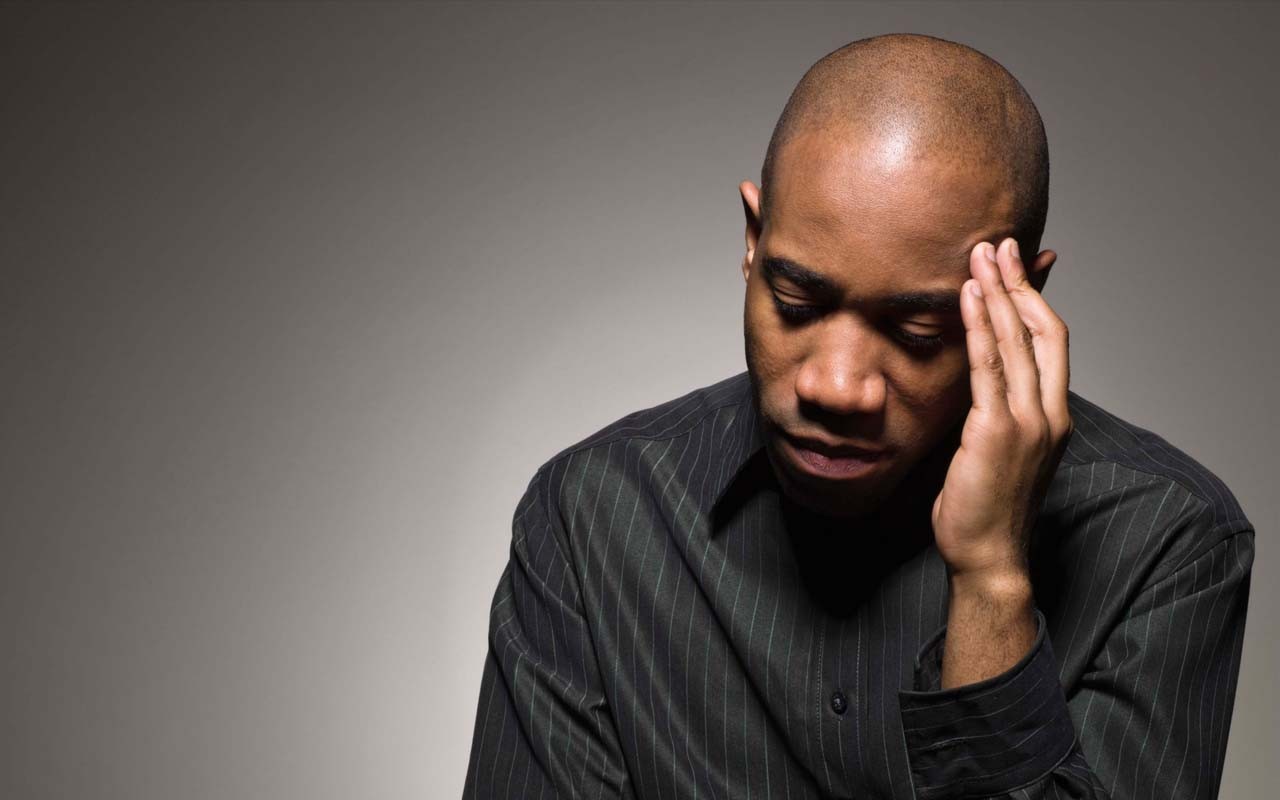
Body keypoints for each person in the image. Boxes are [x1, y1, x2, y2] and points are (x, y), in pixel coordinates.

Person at [462, 33, 1254, 799]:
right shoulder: (592, 516)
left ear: (1022, 303)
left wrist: (991, 580)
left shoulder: (1168, 542)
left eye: (918, 332)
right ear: (752, 241)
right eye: (796, 302)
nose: (838, 387)